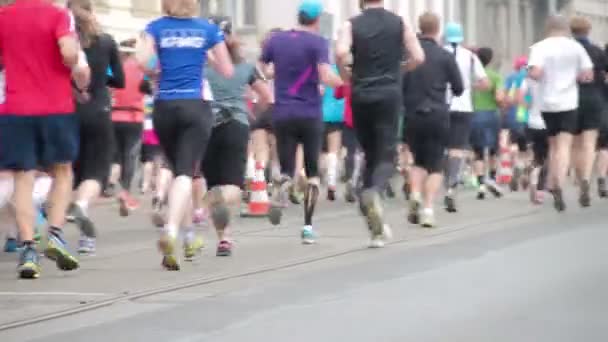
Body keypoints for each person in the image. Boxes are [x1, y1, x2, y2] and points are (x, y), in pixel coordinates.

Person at [136, 0, 233, 270]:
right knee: (185, 174)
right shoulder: (207, 30)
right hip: (195, 105)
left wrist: (157, 69)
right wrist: (207, 56)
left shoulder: (155, 27)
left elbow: (141, 61)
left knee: (176, 167)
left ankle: (189, 236)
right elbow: (227, 70)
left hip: (164, 105)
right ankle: (170, 230)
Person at [0, 0, 90, 278]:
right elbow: (69, 54)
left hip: (15, 108)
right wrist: (75, 67)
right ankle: (55, 234)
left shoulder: (3, 16)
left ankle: (28, 248)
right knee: (63, 171)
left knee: (22, 177)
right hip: (55, 107)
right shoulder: (58, 15)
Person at [336, 0, 424, 247]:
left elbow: (341, 52)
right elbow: (418, 56)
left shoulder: (351, 24)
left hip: (361, 93)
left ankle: (376, 229)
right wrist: (402, 69)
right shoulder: (399, 22)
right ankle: (372, 192)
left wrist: (347, 77)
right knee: (387, 155)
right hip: (389, 93)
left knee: (369, 152)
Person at [260, 0, 342, 245]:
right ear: (317, 20)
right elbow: (326, 76)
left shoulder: (277, 40)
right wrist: (345, 84)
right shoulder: (318, 43)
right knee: (313, 172)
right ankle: (307, 227)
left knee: (287, 166)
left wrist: (273, 74)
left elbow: (263, 67)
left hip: (283, 112)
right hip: (309, 113)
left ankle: (283, 182)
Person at [201, 16, 272, 257]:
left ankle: (224, 238)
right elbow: (267, 97)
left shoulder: (201, 66)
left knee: (212, 182)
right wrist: (253, 113)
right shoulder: (246, 66)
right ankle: (223, 214)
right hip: (236, 125)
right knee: (232, 185)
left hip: (207, 126)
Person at [68, 0, 124, 256]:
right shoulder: (107, 41)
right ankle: (82, 210)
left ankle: (50, 227)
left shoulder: (65, 42)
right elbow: (120, 80)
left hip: (68, 111)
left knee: (67, 172)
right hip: (99, 109)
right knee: (96, 172)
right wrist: (102, 79)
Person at [402, 12, 463, 228]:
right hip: (437, 114)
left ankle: (415, 194)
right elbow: (459, 88)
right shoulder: (445, 56)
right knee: (436, 165)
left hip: (413, 116)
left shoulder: (408, 55)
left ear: (419, 27)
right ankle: (428, 209)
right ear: (437, 30)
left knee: (418, 161)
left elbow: (400, 84)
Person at [527, 15, 593, 212]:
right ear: (565, 28)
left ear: (548, 28)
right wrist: (576, 77)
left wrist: (535, 74)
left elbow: (535, 73)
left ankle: (555, 183)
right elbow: (587, 74)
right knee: (564, 146)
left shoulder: (539, 47)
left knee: (554, 146)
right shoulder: (575, 47)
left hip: (547, 103)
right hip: (568, 102)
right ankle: (559, 185)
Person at [442, 22, 489, 213]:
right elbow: (485, 83)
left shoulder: (438, 53)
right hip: (463, 106)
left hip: (442, 105)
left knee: (442, 147)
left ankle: (441, 178)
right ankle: (451, 186)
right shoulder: (470, 57)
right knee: (457, 148)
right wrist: (469, 87)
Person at [107, 39, 148, 216]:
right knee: (130, 155)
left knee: (115, 155)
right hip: (134, 116)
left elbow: (107, 87)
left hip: (114, 115)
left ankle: (110, 181)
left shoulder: (112, 67)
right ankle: (125, 191)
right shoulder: (141, 69)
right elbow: (148, 88)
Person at [570, 16, 607, 207]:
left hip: (570, 100)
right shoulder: (597, 51)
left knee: (575, 144)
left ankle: (581, 180)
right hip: (594, 99)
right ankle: (586, 177)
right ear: (589, 30)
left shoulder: (566, 51)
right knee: (589, 142)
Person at [471, 47, 505, 200]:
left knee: (477, 152)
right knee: (493, 150)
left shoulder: (471, 76)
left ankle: (481, 185)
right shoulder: (495, 76)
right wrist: (502, 104)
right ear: (490, 60)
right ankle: (491, 178)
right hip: (491, 115)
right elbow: (499, 97)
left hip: (473, 115)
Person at [504, 55, 532, 192]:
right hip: (529, 116)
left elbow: (507, 98)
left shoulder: (511, 78)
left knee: (513, 144)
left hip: (514, 116)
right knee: (527, 148)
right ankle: (526, 169)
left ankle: (516, 166)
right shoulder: (532, 77)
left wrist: (505, 109)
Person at [321, 63, 345, 201]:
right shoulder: (340, 70)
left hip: (318, 114)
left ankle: (319, 177)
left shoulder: (319, 71)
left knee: (321, 152)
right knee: (333, 151)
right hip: (336, 114)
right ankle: (331, 182)